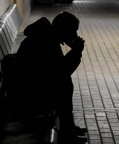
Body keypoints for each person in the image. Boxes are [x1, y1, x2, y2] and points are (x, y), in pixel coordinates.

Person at [8, 12, 88, 144]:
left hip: (29, 87)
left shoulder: (47, 36)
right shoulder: (46, 41)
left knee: (64, 85)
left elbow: (59, 70)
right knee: (64, 87)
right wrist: (76, 52)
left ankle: (68, 128)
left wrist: (75, 53)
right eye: (73, 31)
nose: (74, 35)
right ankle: (67, 133)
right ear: (64, 29)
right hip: (29, 95)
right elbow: (61, 73)